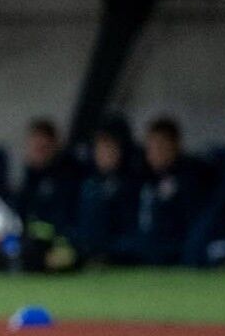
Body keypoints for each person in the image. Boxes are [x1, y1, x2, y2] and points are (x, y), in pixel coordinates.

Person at [124, 116, 210, 266]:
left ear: (175, 146)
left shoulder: (189, 179)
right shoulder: (141, 177)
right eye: (150, 147)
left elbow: (192, 221)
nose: (154, 153)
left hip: (174, 247)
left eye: (160, 146)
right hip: (142, 244)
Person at [13, 118, 81, 271]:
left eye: (43, 148)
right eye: (34, 147)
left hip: (60, 245)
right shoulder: (28, 181)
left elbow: (67, 221)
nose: (37, 152)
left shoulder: (67, 179)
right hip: (33, 245)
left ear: (54, 146)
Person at [74, 122, 140, 264]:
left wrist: (110, 250)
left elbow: (131, 228)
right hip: (87, 255)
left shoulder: (132, 184)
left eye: (110, 148)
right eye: (101, 149)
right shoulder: (86, 184)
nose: (106, 154)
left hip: (120, 255)